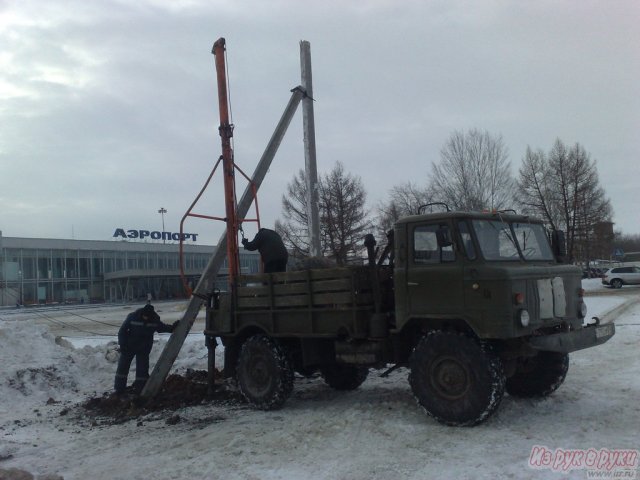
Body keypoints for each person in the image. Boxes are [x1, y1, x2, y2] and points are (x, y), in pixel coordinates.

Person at [114, 304, 178, 394]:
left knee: (142, 370)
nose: (146, 318)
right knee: (123, 368)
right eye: (144, 316)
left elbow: (162, 327)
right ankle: (119, 389)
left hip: (143, 348)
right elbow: (122, 331)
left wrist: (172, 328)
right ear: (142, 313)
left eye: (148, 317)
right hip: (129, 346)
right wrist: (123, 344)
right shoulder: (133, 317)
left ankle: (140, 388)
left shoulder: (154, 319)